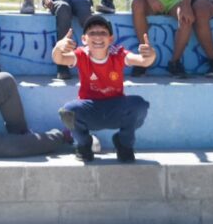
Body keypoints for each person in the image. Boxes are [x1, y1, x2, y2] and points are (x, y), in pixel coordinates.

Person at [53, 14, 154, 163]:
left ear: (110, 39)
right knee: (68, 111)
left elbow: (143, 61)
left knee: (139, 104)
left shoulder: (118, 53)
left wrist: (150, 55)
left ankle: (124, 143)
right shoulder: (81, 54)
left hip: (116, 107)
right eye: (92, 33)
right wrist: (58, 47)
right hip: (90, 109)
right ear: (84, 39)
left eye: (103, 33)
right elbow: (59, 58)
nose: (98, 37)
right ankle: (84, 144)